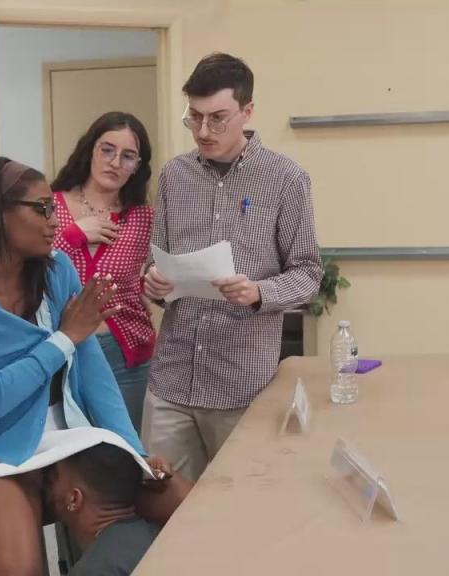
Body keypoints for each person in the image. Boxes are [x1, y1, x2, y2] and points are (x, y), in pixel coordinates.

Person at [0, 157, 185, 576]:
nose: (55, 221)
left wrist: (135, 452)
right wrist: (64, 338)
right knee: (18, 569)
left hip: (76, 439)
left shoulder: (57, 272)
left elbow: (95, 378)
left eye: (53, 208)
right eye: (42, 209)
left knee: (184, 505)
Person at [142, 53, 322, 482]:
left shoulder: (285, 179)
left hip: (242, 385)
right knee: (161, 502)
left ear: (248, 111)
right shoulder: (174, 176)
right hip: (171, 381)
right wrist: (153, 282)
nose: (203, 131)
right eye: (195, 117)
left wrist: (259, 292)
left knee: (239, 505)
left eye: (218, 118)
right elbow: (155, 259)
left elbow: (308, 273)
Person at [51, 111, 155, 432]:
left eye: (128, 156)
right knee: (70, 450)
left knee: (122, 450)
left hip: (125, 354)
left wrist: (153, 284)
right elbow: (31, 267)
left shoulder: (143, 218)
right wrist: (73, 236)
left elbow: (151, 275)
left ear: (137, 166)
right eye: (107, 150)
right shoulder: (50, 205)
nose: (115, 163)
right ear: (90, 149)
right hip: (62, 350)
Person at [45, 443, 161, 576]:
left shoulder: (93, 570)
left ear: (74, 499)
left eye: (54, 478)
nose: (48, 487)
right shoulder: (162, 534)